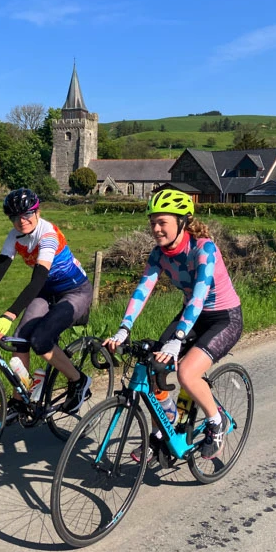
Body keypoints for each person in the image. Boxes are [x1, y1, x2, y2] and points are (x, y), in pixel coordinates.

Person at [104, 189, 243, 460]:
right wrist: (124, 328)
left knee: (186, 374)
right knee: (152, 364)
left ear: (182, 222)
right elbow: (143, 290)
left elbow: (200, 296)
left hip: (223, 317)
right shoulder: (159, 254)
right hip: (191, 315)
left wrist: (177, 338)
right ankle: (163, 429)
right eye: (152, 222)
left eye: (162, 222)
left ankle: (216, 422)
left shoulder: (204, 249)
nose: (155, 228)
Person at [0, 187, 93, 416]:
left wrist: (9, 314)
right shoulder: (14, 237)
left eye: (27, 214)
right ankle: (20, 401)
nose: (21, 220)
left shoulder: (47, 235)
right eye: (15, 217)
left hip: (75, 291)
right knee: (20, 340)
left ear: (37, 211)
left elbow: (37, 280)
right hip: (47, 291)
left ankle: (78, 380)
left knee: (41, 340)